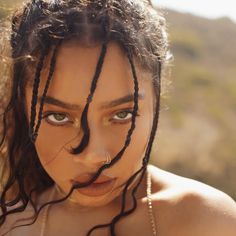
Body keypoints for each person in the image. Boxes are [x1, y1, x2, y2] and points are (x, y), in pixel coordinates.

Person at [0, 0, 236, 235]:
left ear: (157, 101)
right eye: (59, 117)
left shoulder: (207, 221)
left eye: (122, 114)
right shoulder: (12, 226)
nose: (95, 156)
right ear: (24, 111)